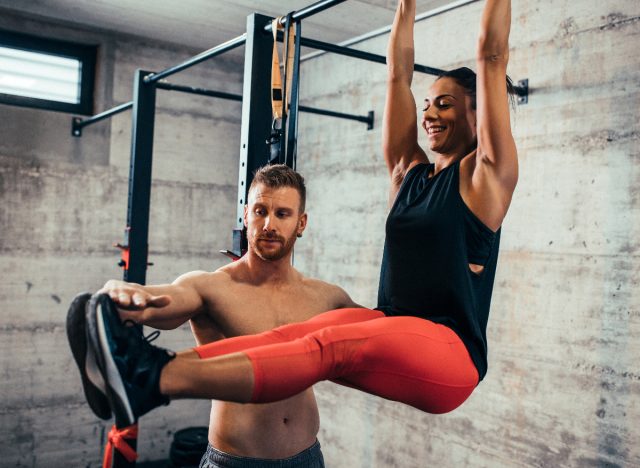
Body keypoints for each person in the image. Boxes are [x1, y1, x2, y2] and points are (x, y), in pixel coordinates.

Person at [77, 0, 518, 432]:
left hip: (451, 353)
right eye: (427, 104)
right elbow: (398, 75)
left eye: (444, 104)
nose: (429, 114)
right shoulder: (407, 173)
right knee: (290, 335)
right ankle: (133, 369)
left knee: (329, 344)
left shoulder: (486, 178)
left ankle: (151, 382)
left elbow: (491, 56)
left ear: (476, 112)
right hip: (393, 327)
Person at [69, 164, 360, 467]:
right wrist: (126, 297)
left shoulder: (326, 296)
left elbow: (384, 333)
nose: (269, 224)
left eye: (282, 214)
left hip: (308, 457)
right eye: (260, 211)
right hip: (234, 461)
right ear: (246, 216)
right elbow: (164, 302)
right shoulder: (212, 286)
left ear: (301, 223)